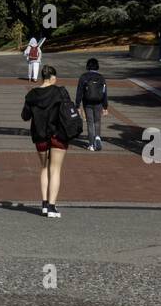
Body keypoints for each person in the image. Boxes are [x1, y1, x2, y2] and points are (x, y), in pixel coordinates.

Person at [21, 65, 69, 218]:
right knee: (55, 169)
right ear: (53, 77)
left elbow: (25, 116)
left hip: (40, 135)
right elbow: (68, 110)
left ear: (42, 77)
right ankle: (52, 206)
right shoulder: (60, 92)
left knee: (43, 168)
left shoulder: (32, 95)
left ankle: (43, 203)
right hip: (58, 135)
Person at [74, 57, 109, 151]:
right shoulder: (101, 78)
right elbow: (104, 92)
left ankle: (91, 144)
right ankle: (97, 137)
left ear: (88, 66)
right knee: (97, 121)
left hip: (87, 102)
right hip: (98, 103)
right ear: (97, 66)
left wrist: (77, 105)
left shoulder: (83, 77)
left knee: (90, 122)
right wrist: (105, 106)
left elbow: (79, 92)